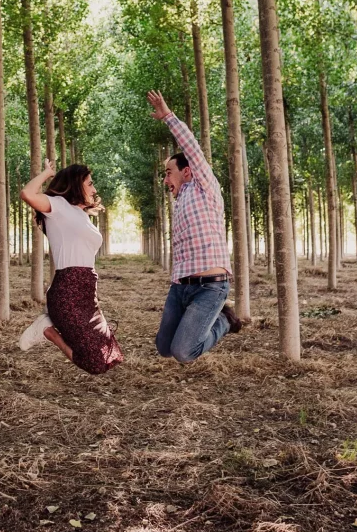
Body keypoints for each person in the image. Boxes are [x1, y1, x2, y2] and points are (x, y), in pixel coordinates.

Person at [147, 90, 242, 364]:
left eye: (168, 173)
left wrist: (168, 117)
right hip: (181, 286)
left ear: (187, 171)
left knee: (183, 352)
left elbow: (192, 150)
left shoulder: (205, 188)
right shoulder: (181, 200)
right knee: (164, 347)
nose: (165, 180)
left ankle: (224, 319)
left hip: (210, 287)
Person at [17, 160, 124, 375]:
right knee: (95, 362)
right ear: (76, 184)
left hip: (87, 291)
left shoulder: (81, 215)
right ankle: (48, 330)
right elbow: (27, 193)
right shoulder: (58, 206)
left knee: (106, 357)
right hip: (68, 290)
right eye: (90, 183)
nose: (94, 189)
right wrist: (47, 173)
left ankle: (49, 321)